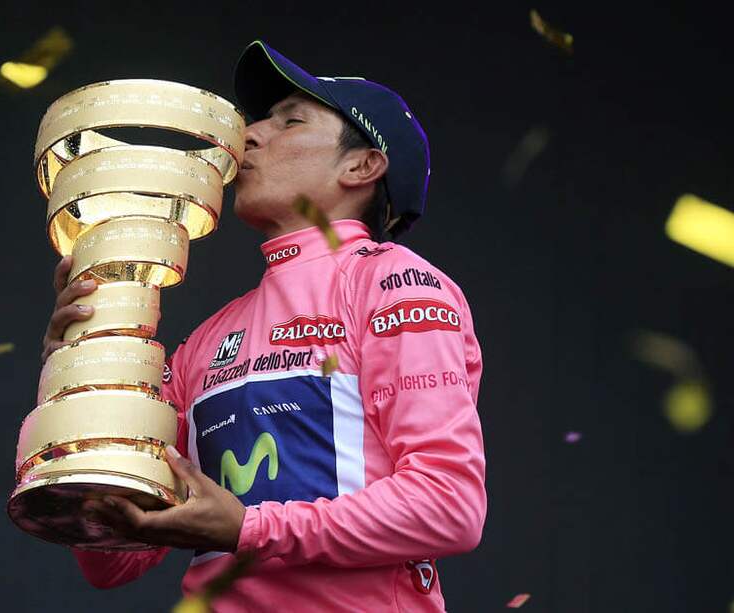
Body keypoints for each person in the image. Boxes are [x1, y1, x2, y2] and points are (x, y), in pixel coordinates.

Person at [40, 40, 486, 612]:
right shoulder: (204, 342)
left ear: (361, 165)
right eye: (257, 121)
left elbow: (449, 507)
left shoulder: (395, 285)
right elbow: (115, 555)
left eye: (290, 122)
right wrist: (77, 376)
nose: (247, 135)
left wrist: (249, 527)